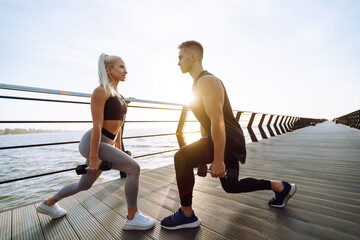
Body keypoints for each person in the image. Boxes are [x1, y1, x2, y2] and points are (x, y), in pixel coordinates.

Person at [160, 41, 296, 230]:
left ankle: (186, 214)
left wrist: (217, 159)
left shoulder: (207, 81)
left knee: (180, 157)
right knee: (231, 186)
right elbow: (206, 122)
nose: (178, 62)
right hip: (226, 138)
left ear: (192, 57)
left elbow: (218, 121)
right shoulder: (198, 83)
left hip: (228, 139)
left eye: (180, 57)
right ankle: (281, 187)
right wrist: (205, 158)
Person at [36, 53, 155, 231]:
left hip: (105, 143)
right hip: (93, 142)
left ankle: (48, 203)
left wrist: (120, 150)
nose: (126, 71)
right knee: (134, 168)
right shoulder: (101, 91)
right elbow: (97, 125)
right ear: (109, 69)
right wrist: (93, 157)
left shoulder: (119, 95)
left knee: (83, 185)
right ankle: (132, 217)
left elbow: (120, 127)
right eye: (121, 67)